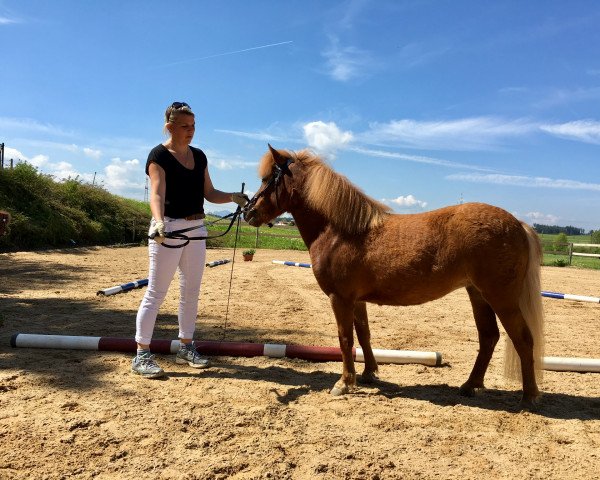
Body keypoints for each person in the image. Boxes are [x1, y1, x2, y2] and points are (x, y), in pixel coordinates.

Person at [132, 101, 248, 379]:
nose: (191, 131)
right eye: (185, 126)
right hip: (168, 228)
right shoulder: (158, 156)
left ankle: (186, 346)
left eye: (193, 126)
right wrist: (158, 221)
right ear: (170, 127)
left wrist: (233, 197)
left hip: (197, 227)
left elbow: (209, 192)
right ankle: (142, 354)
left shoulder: (200, 156)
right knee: (156, 293)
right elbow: (157, 193)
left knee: (191, 291)